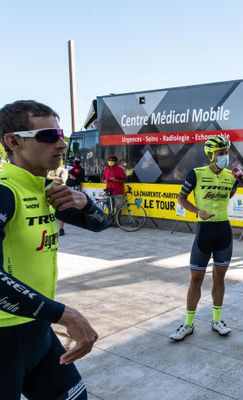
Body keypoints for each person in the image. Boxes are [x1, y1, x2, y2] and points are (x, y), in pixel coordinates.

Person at [0, 100, 109, 400]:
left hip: (37, 331)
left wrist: (85, 203)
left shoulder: (47, 188)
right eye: (49, 136)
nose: (61, 143)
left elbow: (101, 224)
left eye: (61, 134)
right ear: (14, 142)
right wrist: (65, 315)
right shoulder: (4, 190)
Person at [170, 135, 240, 341]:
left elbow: (228, 195)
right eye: (220, 153)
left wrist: (237, 184)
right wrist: (197, 211)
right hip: (204, 232)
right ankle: (188, 323)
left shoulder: (230, 176)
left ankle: (217, 320)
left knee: (219, 278)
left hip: (223, 231)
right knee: (196, 278)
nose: (224, 156)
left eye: (226, 153)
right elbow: (181, 198)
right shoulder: (196, 174)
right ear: (210, 155)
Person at [47, 162, 69, 236]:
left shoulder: (63, 171)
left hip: (60, 193)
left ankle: (61, 228)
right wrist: (54, 178)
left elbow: (62, 180)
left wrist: (51, 178)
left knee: (60, 211)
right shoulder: (49, 170)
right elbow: (44, 177)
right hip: (49, 194)